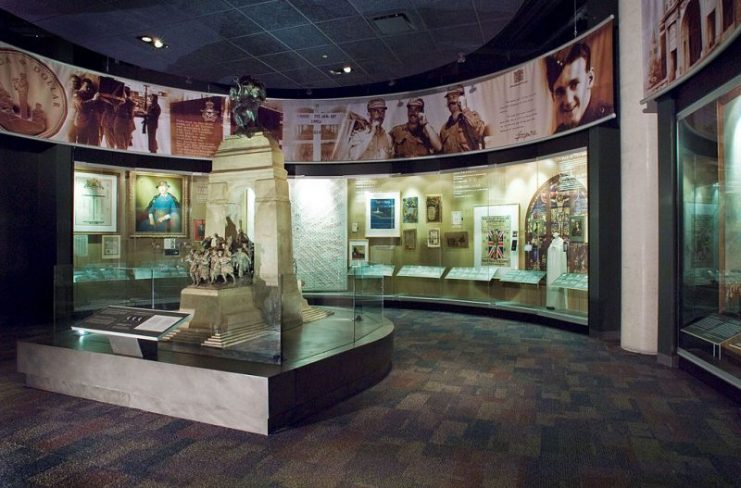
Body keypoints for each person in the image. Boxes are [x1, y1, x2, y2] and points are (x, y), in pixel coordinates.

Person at [545, 42, 612, 133]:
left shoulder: (608, 121)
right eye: (560, 92)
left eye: (574, 85)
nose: (568, 100)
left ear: (590, 79)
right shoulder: (559, 132)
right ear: (553, 96)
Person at [439, 85, 487, 153]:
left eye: (455, 95)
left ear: (462, 98)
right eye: (448, 97)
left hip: (471, 161)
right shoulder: (444, 128)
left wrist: (464, 108)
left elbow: (479, 131)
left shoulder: (472, 116)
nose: (451, 99)